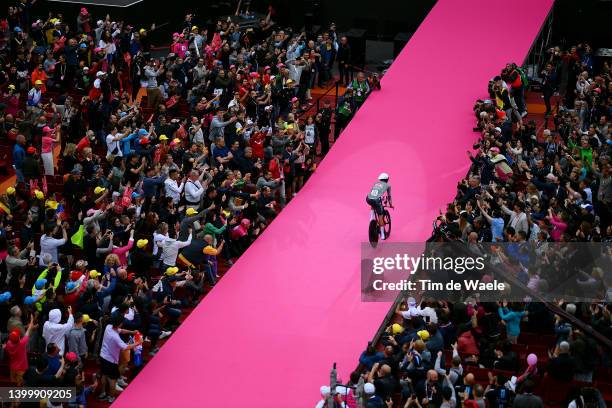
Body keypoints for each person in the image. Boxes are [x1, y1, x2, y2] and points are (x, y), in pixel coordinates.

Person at [366, 173, 393, 239]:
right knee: (380, 216)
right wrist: (391, 205)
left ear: (380, 179)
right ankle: (383, 235)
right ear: (387, 179)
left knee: (373, 202)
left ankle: (372, 217)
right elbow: (389, 196)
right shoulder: (388, 185)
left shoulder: (376, 183)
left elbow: (374, 193)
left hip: (368, 198)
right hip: (376, 200)